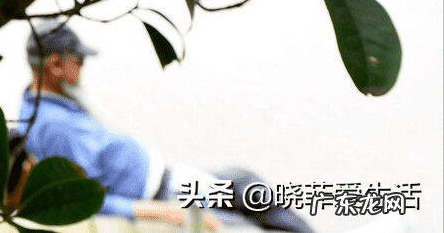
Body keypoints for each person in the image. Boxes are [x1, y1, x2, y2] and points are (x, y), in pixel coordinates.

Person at [17, 20, 316, 233]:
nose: (81, 67)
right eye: (78, 60)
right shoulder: (54, 128)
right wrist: (166, 213)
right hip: (160, 197)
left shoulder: (47, 107)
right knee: (243, 218)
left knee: (247, 185)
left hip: (169, 180)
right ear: (56, 64)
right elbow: (83, 200)